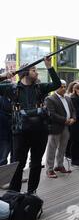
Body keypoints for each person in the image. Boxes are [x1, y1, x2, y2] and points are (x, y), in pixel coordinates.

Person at [0, 56, 61, 193]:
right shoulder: (11, 88)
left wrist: (49, 66)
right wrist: (4, 76)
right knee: (17, 164)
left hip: (40, 132)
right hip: (20, 134)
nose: (37, 73)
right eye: (34, 70)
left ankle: (31, 192)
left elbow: (57, 84)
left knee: (36, 164)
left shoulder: (40, 87)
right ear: (25, 73)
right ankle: (14, 193)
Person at [44, 80, 76, 177]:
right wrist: (65, 120)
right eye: (61, 87)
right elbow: (52, 114)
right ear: (55, 87)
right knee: (52, 149)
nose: (64, 88)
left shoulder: (68, 98)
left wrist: (73, 118)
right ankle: (49, 169)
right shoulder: (50, 99)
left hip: (66, 127)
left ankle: (59, 165)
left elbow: (73, 110)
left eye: (65, 86)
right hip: (55, 127)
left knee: (62, 148)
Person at [0, 92, 13, 166]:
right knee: (2, 158)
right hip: (4, 134)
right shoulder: (2, 99)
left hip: (10, 133)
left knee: (12, 157)